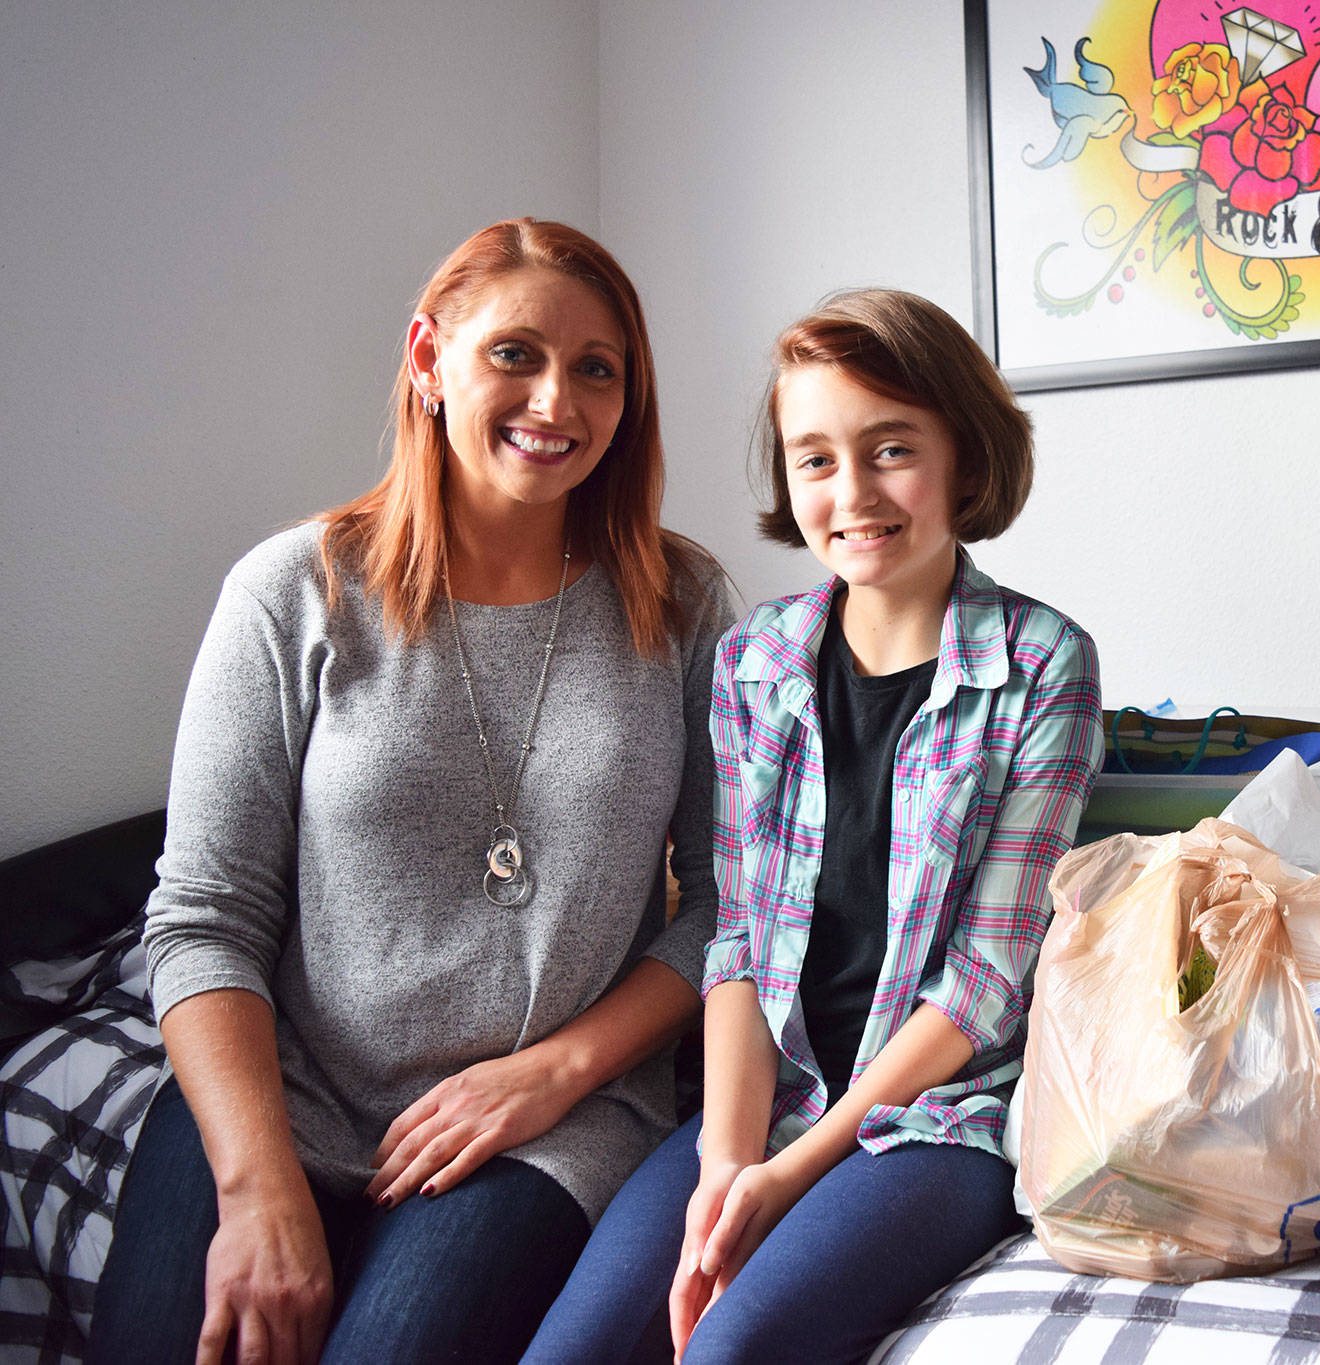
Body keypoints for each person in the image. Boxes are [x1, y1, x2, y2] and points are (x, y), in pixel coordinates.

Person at [88, 218, 733, 1365]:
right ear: (429, 361)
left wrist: (554, 1073)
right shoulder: (294, 591)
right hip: (287, 1096)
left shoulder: (677, 603)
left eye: (598, 369)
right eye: (515, 355)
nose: (558, 401)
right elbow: (202, 919)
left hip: (551, 1125)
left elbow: (727, 905)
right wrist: (257, 1191)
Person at [526, 290, 1104, 1363]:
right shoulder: (753, 660)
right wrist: (725, 1166)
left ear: (964, 460)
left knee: (729, 1352)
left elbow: (986, 979)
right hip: (770, 1093)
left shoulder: (1041, 663)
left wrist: (793, 1175)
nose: (852, 492)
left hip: (939, 1119)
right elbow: (738, 938)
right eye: (815, 460)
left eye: (890, 450)